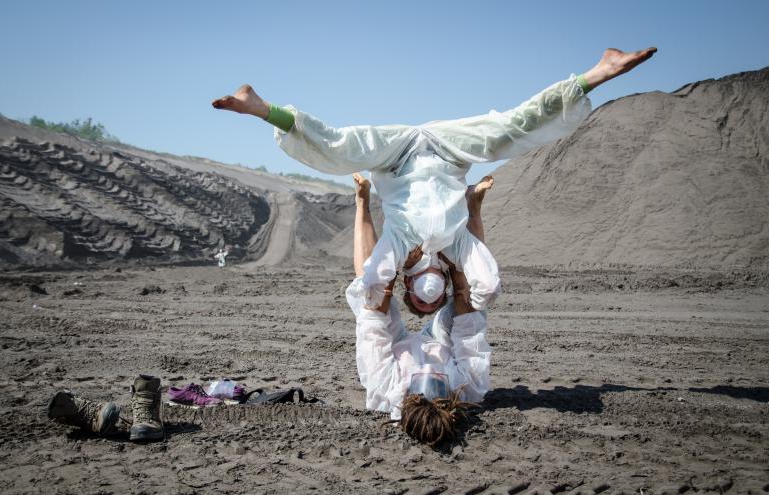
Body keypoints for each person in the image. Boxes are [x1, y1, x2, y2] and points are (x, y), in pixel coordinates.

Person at [212, 48, 657, 315]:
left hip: (397, 155)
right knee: (510, 130)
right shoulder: (456, 248)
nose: (428, 288)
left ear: (407, 288)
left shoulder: (399, 252)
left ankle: (261, 108)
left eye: (420, 299)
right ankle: (598, 73)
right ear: (445, 284)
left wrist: (377, 285)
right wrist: (469, 296)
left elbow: (364, 281)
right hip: (447, 148)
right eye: (435, 297)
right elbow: (488, 282)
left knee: (338, 150)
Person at [348, 172, 493, 446]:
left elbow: (373, 329)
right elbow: (469, 332)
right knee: (473, 295)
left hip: (397, 344)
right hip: (442, 341)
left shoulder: (384, 388)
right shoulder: (469, 388)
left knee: (370, 289)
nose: (427, 382)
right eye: (435, 391)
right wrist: (453, 266)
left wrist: (394, 264)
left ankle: (363, 203)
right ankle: (472, 206)